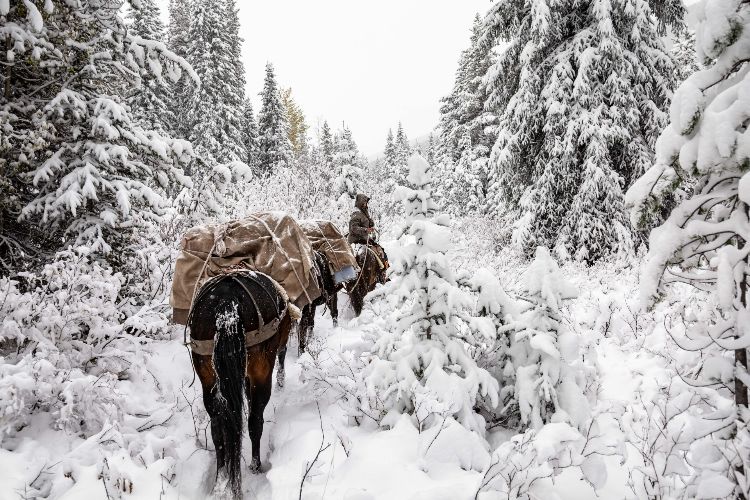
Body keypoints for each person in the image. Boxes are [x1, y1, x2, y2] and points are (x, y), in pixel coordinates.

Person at [348, 194, 389, 280]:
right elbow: (353, 228)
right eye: (365, 202)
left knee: (380, 250)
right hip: (357, 240)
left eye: (366, 203)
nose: (366, 205)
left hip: (364, 239)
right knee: (379, 251)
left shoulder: (362, 213)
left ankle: (381, 274)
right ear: (360, 203)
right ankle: (381, 274)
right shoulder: (356, 213)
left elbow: (370, 223)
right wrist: (366, 230)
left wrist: (367, 216)